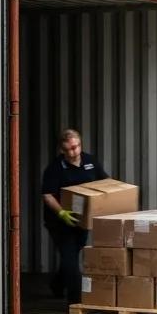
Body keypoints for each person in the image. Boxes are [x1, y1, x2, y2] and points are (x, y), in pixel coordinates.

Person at [41, 129, 108, 303]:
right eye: (68, 149)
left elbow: (105, 182)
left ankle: (57, 284)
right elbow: (47, 194)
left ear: (80, 144)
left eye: (76, 147)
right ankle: (75, 301)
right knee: (70, 258)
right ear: (61, 150)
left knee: (73, 253)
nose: (73, 152)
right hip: (60, 221)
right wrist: (61, 212)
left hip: (81, 220)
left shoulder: (90, 161)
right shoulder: (55, 168)